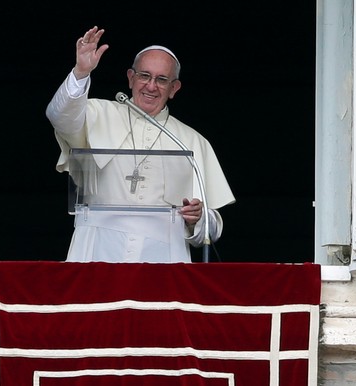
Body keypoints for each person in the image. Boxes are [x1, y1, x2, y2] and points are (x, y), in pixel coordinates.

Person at [46, 26, 235, 263]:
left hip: (164, 257)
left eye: (162, 79)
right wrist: (81, 72)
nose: (151, 86)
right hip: (97, 248)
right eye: (144, 75)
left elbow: (212, 229)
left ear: (174, 88)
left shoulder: (192, 140)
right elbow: (59, 116)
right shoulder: (97, 113)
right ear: (130, 78)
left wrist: (198, 218)